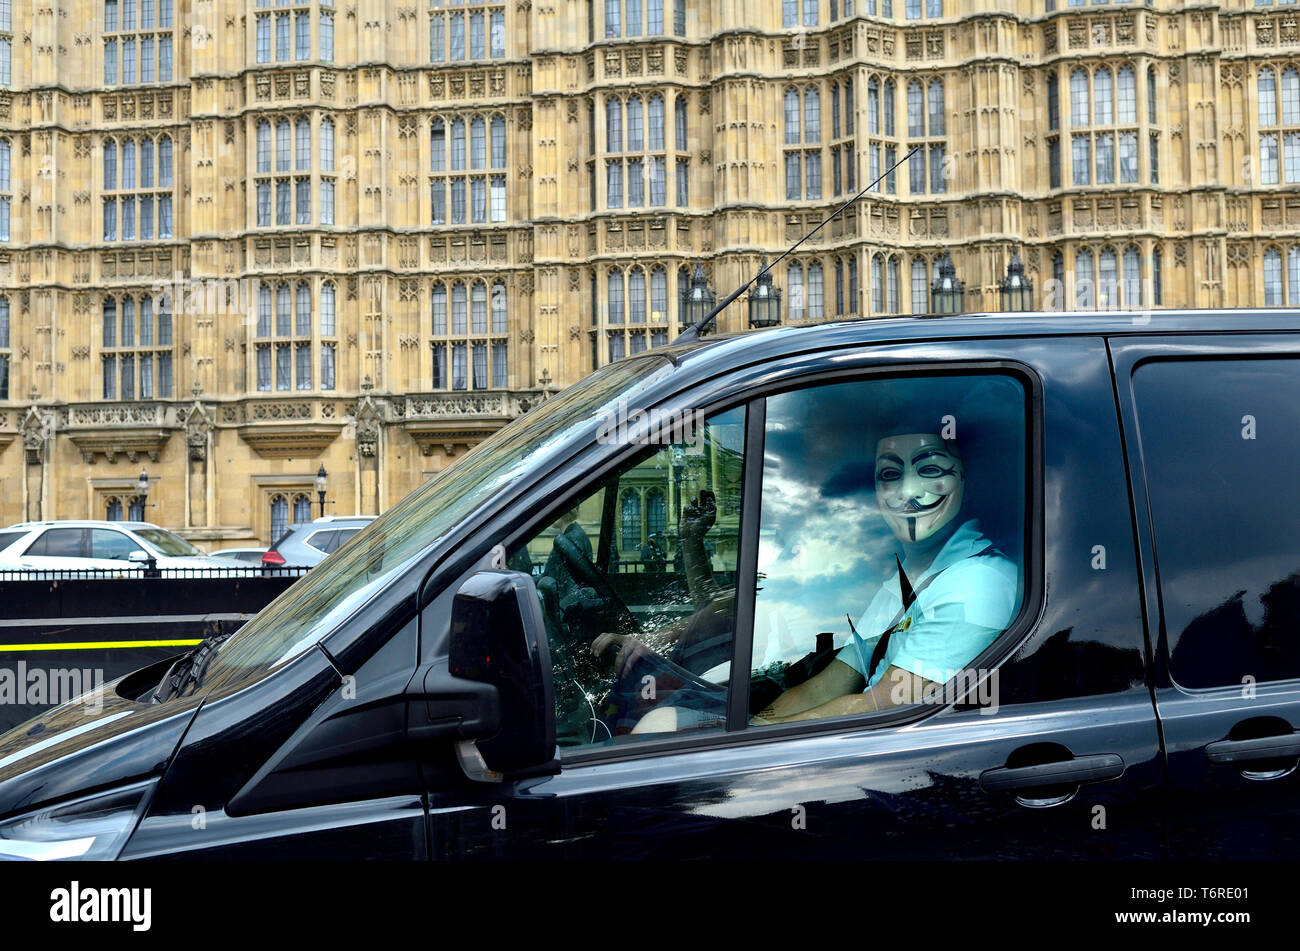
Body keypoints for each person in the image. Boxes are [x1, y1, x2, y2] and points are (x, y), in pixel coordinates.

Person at [623, 431, 1019, 734]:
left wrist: (752, 742)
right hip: (856, 734)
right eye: (890, 474)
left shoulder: (977, 582)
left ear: (966, 477)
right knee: (664, 721)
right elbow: (826, 686)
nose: (908, 492)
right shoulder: (904, 580)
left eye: (930, 470)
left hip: (888, 761)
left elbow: (882, 704)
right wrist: (755, 727)